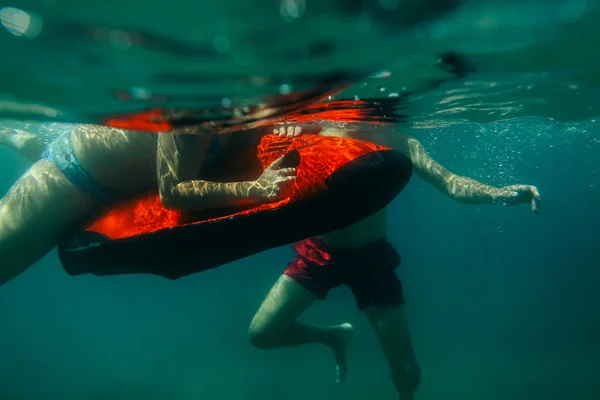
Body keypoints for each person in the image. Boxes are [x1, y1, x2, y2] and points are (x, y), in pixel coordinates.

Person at [247, 122, 542, 399]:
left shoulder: (398, 140)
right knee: (262, 334)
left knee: (405, 369)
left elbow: (451, 183)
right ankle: (333, 337)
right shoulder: (312, 129)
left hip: (371, 261)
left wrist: (501, 194)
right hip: (318, 252)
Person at [0, 123, 301, 285]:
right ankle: (19, 137)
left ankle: (16, 136)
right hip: (71, 175)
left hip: (107, 163)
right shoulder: (193, 109)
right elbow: (173, 191)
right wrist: (256, 188)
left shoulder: (249, 99)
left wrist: (283, 128)